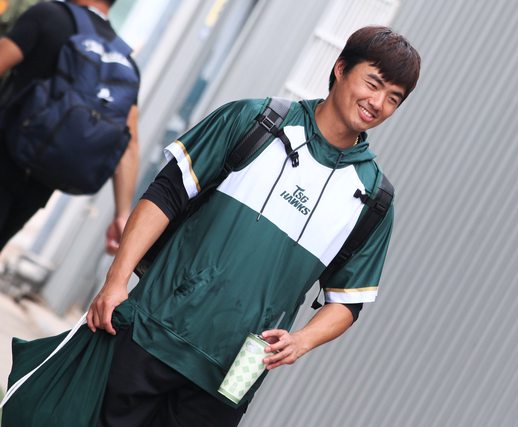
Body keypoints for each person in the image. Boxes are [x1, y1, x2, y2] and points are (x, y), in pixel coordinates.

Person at [88, 26, 420, 426]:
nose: (377, 103)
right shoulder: (253, 121)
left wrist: (302, 340)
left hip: (231, 378)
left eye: (393, 98)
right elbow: (167, 193)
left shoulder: (372, 198)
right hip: (151, 332)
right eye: (373, 83)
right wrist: (116, 281)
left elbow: (348, 300)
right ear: (340, 68)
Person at [0, 0, 139, 254]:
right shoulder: (125, 62)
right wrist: (122, 214)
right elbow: (129, 144)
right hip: (42, 183)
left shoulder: (49, 15)